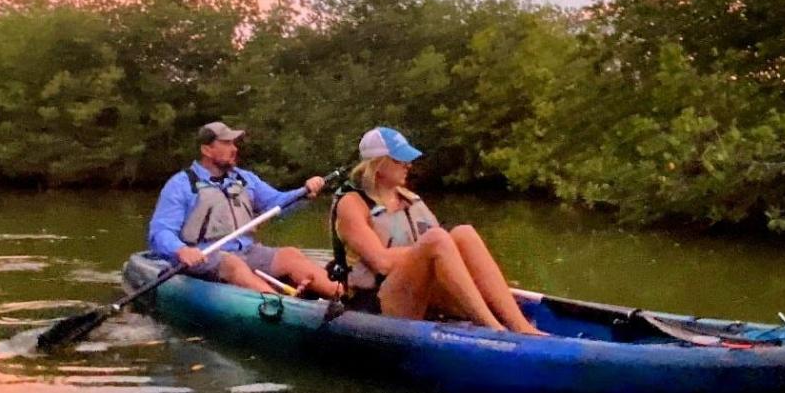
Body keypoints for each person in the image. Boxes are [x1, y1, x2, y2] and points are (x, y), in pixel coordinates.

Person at [330, 127, 541, 334]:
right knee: (438, 239)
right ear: (379, 164)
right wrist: (428, 250)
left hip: (424, 297)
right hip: (377, 303)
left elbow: (441, 256)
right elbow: (382, 263)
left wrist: (445, 251)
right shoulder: (352, 204)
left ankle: (521, 327)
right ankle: (494, 330)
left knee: (463, 234)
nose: (408, 165)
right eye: (400, 160)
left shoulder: (409, 199)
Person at [147, 122, 343, 297]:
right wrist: (181, 250)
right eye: (226, 143)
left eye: (234, 143)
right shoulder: (181, 184)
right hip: (205, 256)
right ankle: (279, 305)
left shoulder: (244, 179)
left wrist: (305, 191)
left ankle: (345, 297)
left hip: (247, 251)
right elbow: (160, 232)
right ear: (207, 149)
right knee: (232, 264)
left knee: (290, 255)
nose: (234, 149)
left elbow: (277, 203)